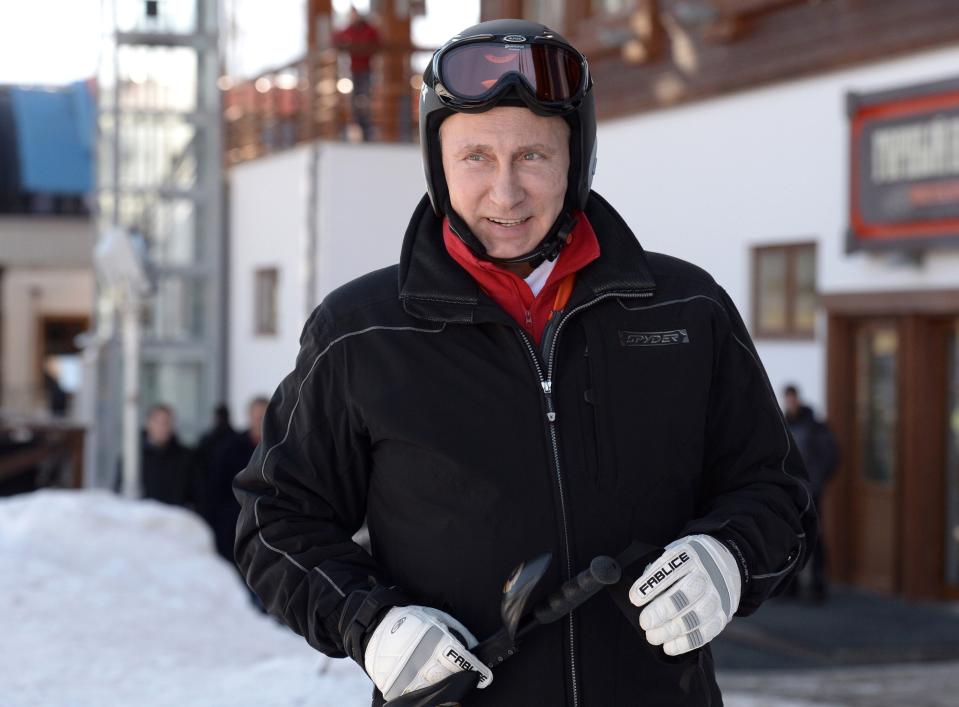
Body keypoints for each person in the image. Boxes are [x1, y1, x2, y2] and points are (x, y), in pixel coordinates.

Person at [234, 19, 816, 706]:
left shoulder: (685, 309)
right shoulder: (359, 331)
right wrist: (372, 623)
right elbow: (276, 521)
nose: (505, 194)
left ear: (578, 159)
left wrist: (731, 557)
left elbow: (774, 490)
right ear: (436, 164)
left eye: (533, 157)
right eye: (475, 157)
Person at [783, 384, 838, 602]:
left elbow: (831, 455)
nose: (791, 403)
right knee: (791, 538)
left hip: (811, 492)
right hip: (790, 493)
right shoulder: (782, 424)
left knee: (815, 537)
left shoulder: (814, 426)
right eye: (788, 400)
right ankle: (791, 586)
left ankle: (818, 586)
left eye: (793, 399)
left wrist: (817, 480)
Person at [207, 397, 268, 562]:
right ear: (249, 416)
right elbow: (216, 488)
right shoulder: (230, 449)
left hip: (268, 527)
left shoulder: (281, 450)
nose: (260, 421)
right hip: (234, 525)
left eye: (264, 416)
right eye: (257, 417)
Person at [333, 7, 381, 141]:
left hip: (367, 69)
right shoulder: (349, 30)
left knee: (365, 98)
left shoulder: (369, 29)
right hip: (354, 70)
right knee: (355, 100)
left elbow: (377, 39)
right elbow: (336, 37)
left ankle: (368, 129)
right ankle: (357, 127)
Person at [138, 403, 197, 508]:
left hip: (175, 519)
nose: (162, 427)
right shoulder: (135, 458)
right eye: (158, 422)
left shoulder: (186, 457)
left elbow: (197, 494)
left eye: (166, 423)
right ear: (148, 424)